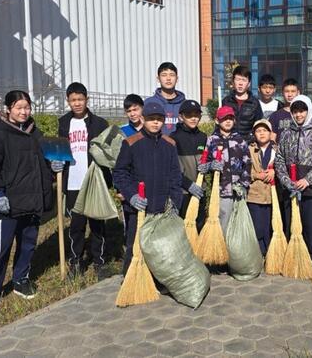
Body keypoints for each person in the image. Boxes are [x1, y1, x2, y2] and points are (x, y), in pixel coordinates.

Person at [0, 90, 53, 310]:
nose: (24, 112)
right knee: (2, 246)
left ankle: (21, 279)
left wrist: (54, 165)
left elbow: (44, 161)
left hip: (33, 198)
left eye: (27, 107)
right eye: (19, 107)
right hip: (9, 202)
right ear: (9, 108)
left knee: (28, 244)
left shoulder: (35, 133)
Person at [113, 101, 183, 276]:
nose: (156, 122)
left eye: (159, 119)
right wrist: (132, 195)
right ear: (143, 119)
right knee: (135, 246)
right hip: (138, 208)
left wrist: (175, 202)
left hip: (162, 208)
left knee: (160, 247)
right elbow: (120, 173)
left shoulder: (169, 144)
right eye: (151, 119)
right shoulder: (131, 142)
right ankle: (130, 279)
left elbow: (175, 175)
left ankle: (157, 279)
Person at [53, 82, 112, 279]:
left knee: (97, 224)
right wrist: (56, 164)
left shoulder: (99, 124)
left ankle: (99, 262)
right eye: (73, 100)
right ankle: (76, 261)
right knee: (76, 225)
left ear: (87, 100)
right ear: (68, 101)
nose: (77, 103)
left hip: (93, 181)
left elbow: (107, 152)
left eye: (80, 99)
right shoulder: (64, 123)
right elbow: (59, 149)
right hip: (72, 182)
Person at [274, 95, 312, 262]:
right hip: (289, 185)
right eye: (295, 111)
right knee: (291, 222)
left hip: (309, 187)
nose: (299, 115)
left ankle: (310, 257)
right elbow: (279, 159)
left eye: (302, 111)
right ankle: (292, 258)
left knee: (309, 224)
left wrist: (308, 179)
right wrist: (286, 181)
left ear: (308, 111)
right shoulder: (286, 133)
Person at [204, 105, 251, 232]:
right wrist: (210, 165)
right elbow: (204, 163)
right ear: (217, 121)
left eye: (230, 118)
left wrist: (244, 184)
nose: (228, 121)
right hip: (221, 190)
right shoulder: (211, 140)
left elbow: (247, 164)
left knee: (237, 224)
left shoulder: (240, 140)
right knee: (223, 223)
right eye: (224, 119)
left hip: (238, 190)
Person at [169, 99, 207, 220]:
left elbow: (206, 160)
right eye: (189, 115)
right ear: (181, 117)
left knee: (199, 224)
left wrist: (208, 165)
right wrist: (188, 185)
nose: (193, 118)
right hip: (182, 192)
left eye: (196, 115)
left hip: (200, 190)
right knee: (183, 224)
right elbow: (171, 169)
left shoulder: (203, 137)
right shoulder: (174, 138)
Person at [247, 119, 277, 255]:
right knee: (257, 228)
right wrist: (256, 175)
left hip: (272, 196)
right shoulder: (249, 150)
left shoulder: (277, 150)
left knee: (270, 227)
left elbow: (284, 167)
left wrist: (274, 171)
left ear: (270, 133)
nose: (262, 133)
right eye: (258, 131)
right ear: (254, 134)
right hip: (255, 195)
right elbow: (243, 170)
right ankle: (259, 254)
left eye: (265, 130)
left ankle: (271, 255)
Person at [221, 65, 263, 138]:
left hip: (248, 142)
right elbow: (219, 123)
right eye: (238, 79)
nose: (240, 83)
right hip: (229, 141)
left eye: (244, 80)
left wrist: (252, 139)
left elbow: (259, 125)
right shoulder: (226, 101)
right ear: (233, 82)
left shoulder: (254, 103)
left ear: (249, 84)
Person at [148, 62, 186, 135]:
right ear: (158, 79)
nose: (168, 78)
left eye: (172, 75)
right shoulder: (149, 103)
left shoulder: (185, 104)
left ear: (177, 79)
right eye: (164, 75)